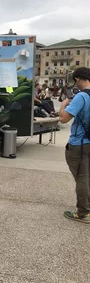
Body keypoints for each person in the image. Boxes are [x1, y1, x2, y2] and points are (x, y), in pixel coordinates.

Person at [59, 67, 90, 223]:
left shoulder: (81, 97)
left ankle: (83, 212)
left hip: (80, 144)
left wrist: (63, 105)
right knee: (87, 176)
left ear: (78, 79)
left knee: (82, 178)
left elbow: (64, 119)